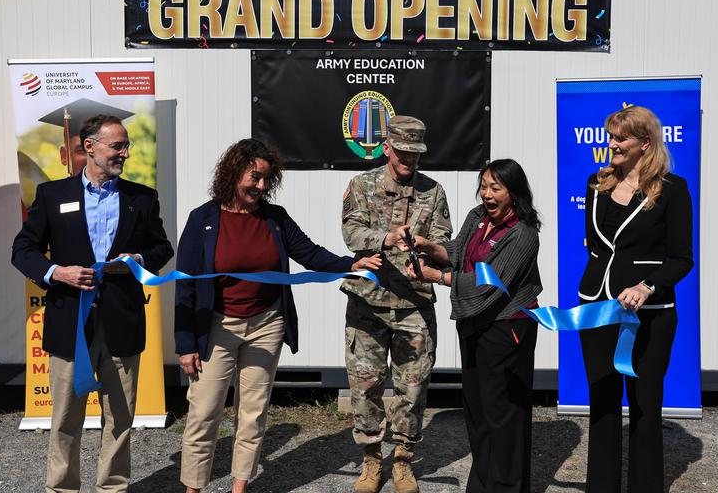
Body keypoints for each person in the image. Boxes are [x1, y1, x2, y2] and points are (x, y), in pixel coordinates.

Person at [174, 138, 381, 493]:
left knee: (252, 413)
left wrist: (350, 265)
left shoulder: (275, 219)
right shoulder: (202, 220)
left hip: (266, 324)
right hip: (216, 327)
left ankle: (240, 486)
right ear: (233, 172)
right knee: (203, 413)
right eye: (254, 177)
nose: (261, 186)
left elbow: (310, 254)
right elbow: (186, 285)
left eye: (267, 179)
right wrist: (185, 343)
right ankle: (194, 488)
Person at [12, 114, 174, 493]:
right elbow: (23, 250)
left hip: (122, 323)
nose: (125, 153)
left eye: (126, 145)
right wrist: (57, 273)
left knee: (120, 418)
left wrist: (138, 260)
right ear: (90, 148)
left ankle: (112, 488)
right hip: (70, 323)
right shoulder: (53, 196)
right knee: (66, 418)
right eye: (117, 146)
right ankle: (62, 488)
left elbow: (161, 247)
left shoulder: (142, 197)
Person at [403, 158, 542, 493]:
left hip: (507, 327)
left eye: (496, 188)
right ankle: (482, 484)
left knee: (504, 413)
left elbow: (487, 285)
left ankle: (507, 485)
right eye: (483, 186)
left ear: (515, 193)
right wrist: (428, 247)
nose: (487, 194)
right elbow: (458, 251)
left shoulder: (523, 234)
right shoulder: (477, 218)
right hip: (474, 325)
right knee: (477, 410)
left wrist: (434, 276)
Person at [577, 106, 694, 493]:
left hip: (651, 314)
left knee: (645, 404)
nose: (611, 144)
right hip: (597, 307)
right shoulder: (596, 184)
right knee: (602, 402)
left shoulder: (673, 189)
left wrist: (647, 285)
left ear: (645, 143)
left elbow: (681, 259)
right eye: (610, 136)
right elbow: (596, 246)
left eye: (620, 138)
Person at [341, 115, 453, 493]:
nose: (409, 160)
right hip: (368, 304)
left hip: (414, 304)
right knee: (365, 385)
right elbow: (351, 231)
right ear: (387, 147)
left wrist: (424, 247)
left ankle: (403, 459)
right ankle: (371, 460)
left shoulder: (433, 191)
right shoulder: (362, 185)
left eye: (415, 153)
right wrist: (385, 238)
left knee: (413, 386)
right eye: (402, 151)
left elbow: (443, 240)